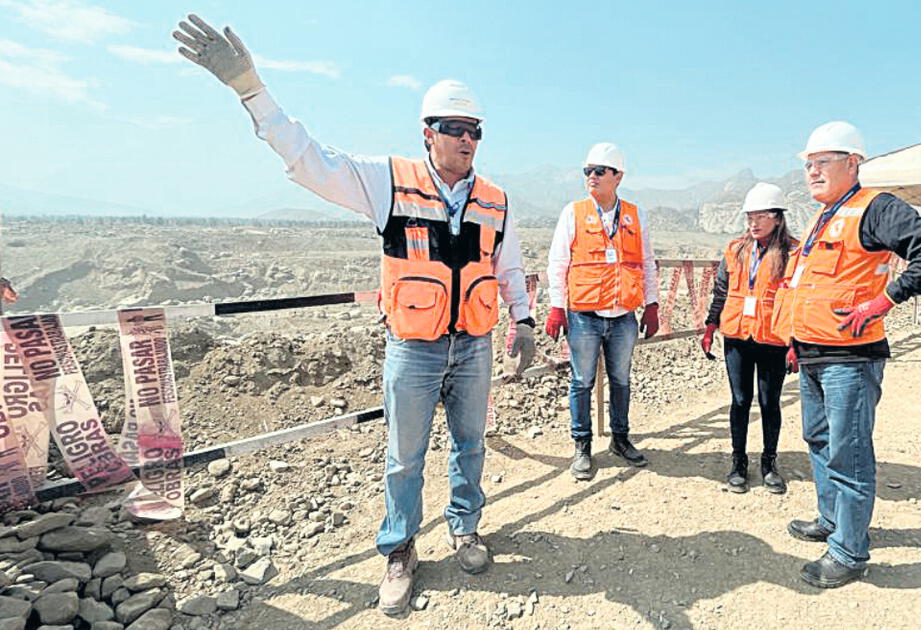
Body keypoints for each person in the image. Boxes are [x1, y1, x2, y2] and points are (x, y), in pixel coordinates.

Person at [172, 15, 537, 615]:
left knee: (471, 445)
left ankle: (465, 527)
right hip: (414, 348)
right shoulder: (387, 180)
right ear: (428, 133)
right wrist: (251, 91)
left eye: (475, 130)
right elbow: (311, 161)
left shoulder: (496, 199)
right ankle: (400, 550)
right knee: (404, 455)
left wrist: (522, 320)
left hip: (473, 344)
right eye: (454, 128)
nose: (467, 140)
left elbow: (508, 263)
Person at [773, 121, 921, 588]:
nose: (812, 171)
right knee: (819, 442)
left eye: (823, 162)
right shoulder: (824, 215)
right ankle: (831, 520)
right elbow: (810, 287)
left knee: (849, 453)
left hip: (850, 359)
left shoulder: (873, 208)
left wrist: (885, 300)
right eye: (808, 164)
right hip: (815, 355)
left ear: (852, 163)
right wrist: (796, 341)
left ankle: (849, 553)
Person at [545, 143, 659, 481]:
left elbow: (648, 264)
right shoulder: (574, 212)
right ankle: (582, 446)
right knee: (582, 381)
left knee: (621, 380)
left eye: (599, 171)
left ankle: (620, 439)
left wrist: (651, 304)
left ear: (617, 176)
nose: (591, 177)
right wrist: (556, 307)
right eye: (587, 171)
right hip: (585, 315)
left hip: (623, 315)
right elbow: (558, 263)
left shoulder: (636, 216)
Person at [701, 183, 800, 494]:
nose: (753, 224)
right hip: (738, 336)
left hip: (773, 338)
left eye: (760, 217)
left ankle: (769, 463)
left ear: (777, 218)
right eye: (749, 218)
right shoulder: (735, 250)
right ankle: (738, 462)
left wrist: (797, 343)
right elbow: (721, 290)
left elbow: (799, 299)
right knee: (740, 401)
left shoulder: (793, 253)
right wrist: (710, 325)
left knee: (770, 402)